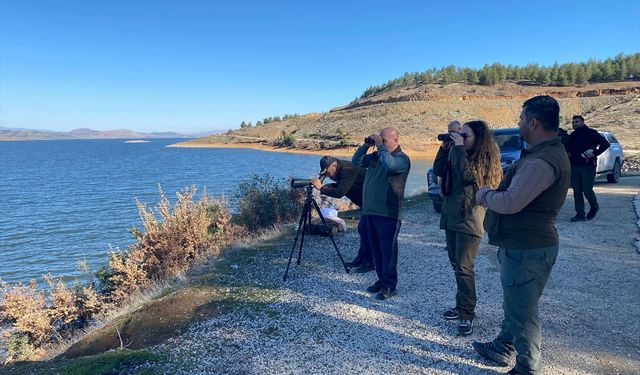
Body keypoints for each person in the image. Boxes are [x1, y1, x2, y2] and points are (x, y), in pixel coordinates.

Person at [473, 95, 570, 375]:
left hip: (528, 248)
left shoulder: (542, 161)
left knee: (524, 312)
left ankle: (528, 367)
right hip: (525, 245)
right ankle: (503, 346)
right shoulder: (543, 155)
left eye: (521, 119)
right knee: (517, 302)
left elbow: (511, 202)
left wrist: (485, 194)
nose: (518, 123)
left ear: (533, 122)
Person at [433, 120, 502, 336]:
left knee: (464, 267)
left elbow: (467, 177)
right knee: (456, 264)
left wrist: (459, 149)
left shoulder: (485, 160)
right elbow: (438, 171)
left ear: (479, 138)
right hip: (452, 216)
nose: (461, 139)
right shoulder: (459, 154)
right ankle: (461, 304)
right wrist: (445, 151)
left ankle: (467, 313)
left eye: (466, 136)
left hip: (470, 219)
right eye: (459, 135)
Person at [352, 127, 410, 300]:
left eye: (384, 140)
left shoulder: (402, 159)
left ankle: (390, 285)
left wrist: (379, 146)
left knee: (388, 251)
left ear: (395, 141)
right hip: (370, 211)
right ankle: (381, 280)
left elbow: (390, 166)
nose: (380, 144)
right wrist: (365, 146)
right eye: (380, 140)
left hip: (388, 213)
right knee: (376, 250)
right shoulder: (377, 156)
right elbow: (356, 162)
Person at [310, 156, 374, 273]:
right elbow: (340, 186)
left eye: (327, 172)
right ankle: (361, 258)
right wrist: (322, 187)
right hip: (365, 201)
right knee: (363, 229)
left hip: (372, 201)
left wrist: (321, 188)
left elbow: (340, 192)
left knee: (366, 229)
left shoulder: (347, 170)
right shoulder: (340, 170)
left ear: (333, 165)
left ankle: (370, 262)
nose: (328, 175)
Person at [566, 115, 610, 221]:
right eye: (573, 122)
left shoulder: (591, 133)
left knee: (587, 190)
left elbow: (605, 144)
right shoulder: (572, 135)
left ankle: (594, 207)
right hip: (574, 166)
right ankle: (580, 214)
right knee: (577, 191)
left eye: (577, 122)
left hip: (588, 166)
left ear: (582, 122)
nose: (574, 124)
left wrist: (595, 153)